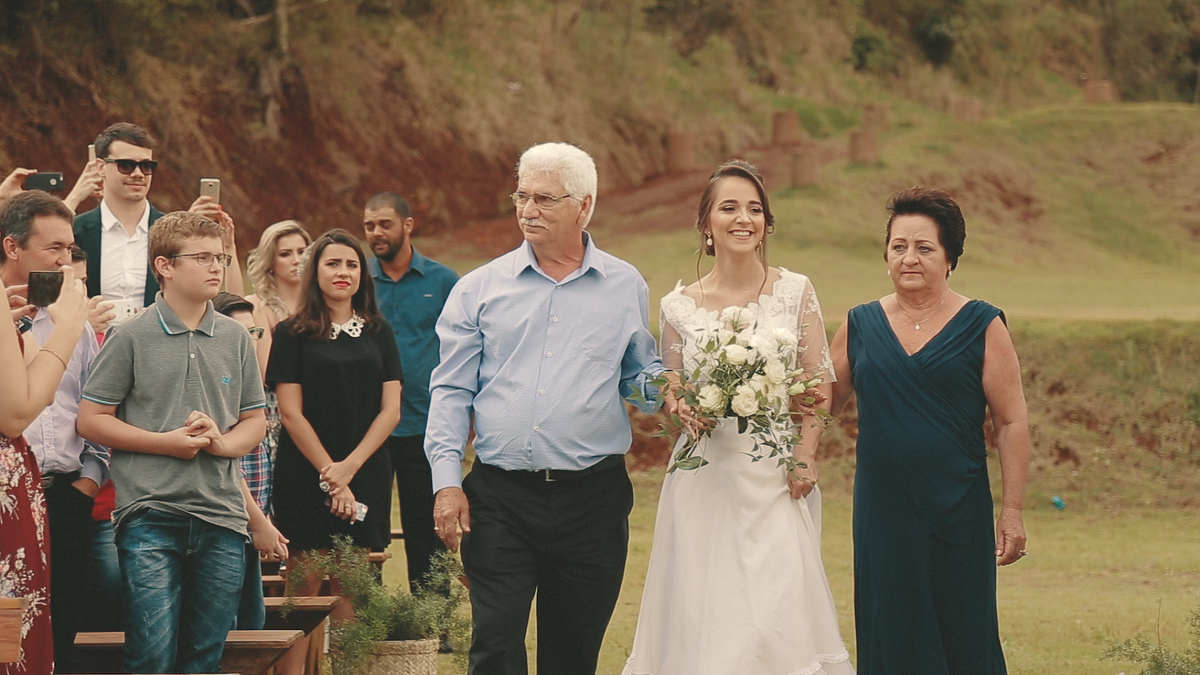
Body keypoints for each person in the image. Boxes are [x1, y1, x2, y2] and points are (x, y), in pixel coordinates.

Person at [426, 142, 663, 674]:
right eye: (522, 196)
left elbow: (637, 375)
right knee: (494, 647)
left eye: (544, 199)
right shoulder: (478, 289)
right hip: (501, 499)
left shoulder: (625, 285)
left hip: (592, 502)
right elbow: (451, 392)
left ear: (584, 206)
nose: (527, 210)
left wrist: (671, 389)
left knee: (573, 656)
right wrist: (447, 482)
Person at [621, 160, 853, 675]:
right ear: (706, 224)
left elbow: (817, 381)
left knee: (775, 608)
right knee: (702, 606)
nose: (743, 218)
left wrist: (804, 456)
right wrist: (679, 405)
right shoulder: (678, 306)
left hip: (774, 473)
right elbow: (673, 380)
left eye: (754, 209)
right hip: (702, 475)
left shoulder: (795, 291)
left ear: (768, 224)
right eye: (728, 207)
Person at [828, 187, 1030, 675]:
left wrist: (1013, 512)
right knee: (890, 623)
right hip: (883, 510)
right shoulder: (858, 324)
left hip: (957, 507)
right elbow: (817, 407)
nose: (909, 258)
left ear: (950, 258)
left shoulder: (983, 324)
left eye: (924, 248)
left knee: (963, 628)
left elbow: (1011, 420)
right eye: (899, 247)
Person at [76, 211, 267, 674]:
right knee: (152, 656)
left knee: (204, 659)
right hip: (150, 515)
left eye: (219, 256)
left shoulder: (237, 336)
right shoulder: (129, 335)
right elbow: (91, 420)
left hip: (222, 517)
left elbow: (255, 421)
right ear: (164, 266)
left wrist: (221, 444)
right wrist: (166, 443)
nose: (216, 266)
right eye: (202, 257)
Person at [265, 229, 401, 675]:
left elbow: (391, 411)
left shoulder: (380, 333)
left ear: (363, 275)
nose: (343, 272)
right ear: (314, 271)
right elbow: (290, 413)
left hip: (365, 470)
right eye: (332, 263)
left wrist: (348, 470)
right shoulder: (291, 333)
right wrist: (329, 472)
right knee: (301, 589)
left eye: (351, 265)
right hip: (304, 474)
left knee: (352, 587)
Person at [1, 191, 108, 672]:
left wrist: (89, 479)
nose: (66, 261)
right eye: (54, 249)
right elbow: (17, 411)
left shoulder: (77, 327)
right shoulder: (48, 323)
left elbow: (98, 404)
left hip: (62, 495)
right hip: (11, 496)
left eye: (70, 249)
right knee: (10, 624)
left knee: (55, 624)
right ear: (12, 248)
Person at [362, 192, 459, 590]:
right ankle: (367, 620)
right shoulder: (358, 281)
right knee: (368, 529)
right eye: (369, 226)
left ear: (407, 225)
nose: (376, 233)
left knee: (428, 527)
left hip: (428, 424)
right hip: (370, 429)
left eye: (384, 224)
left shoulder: (444, 282)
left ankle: (434, 622)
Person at [73, 123, 243, 332]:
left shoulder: (171, 234)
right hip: (94, 349)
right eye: (126, 165)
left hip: (162, 348)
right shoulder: (75, 231)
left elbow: (208, 294)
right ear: (101, 167)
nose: (138, 174)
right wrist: (82, 321)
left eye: (146, 166)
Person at [212, 292, 290, 630]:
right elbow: (225, 469)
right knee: (227, 629)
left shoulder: (255, 389)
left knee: (251, 625)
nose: (250, 341)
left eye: (254, 332)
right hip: (224, 525)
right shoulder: (215, 389)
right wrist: (259, 522)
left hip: (250, 526)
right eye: (240, 333)